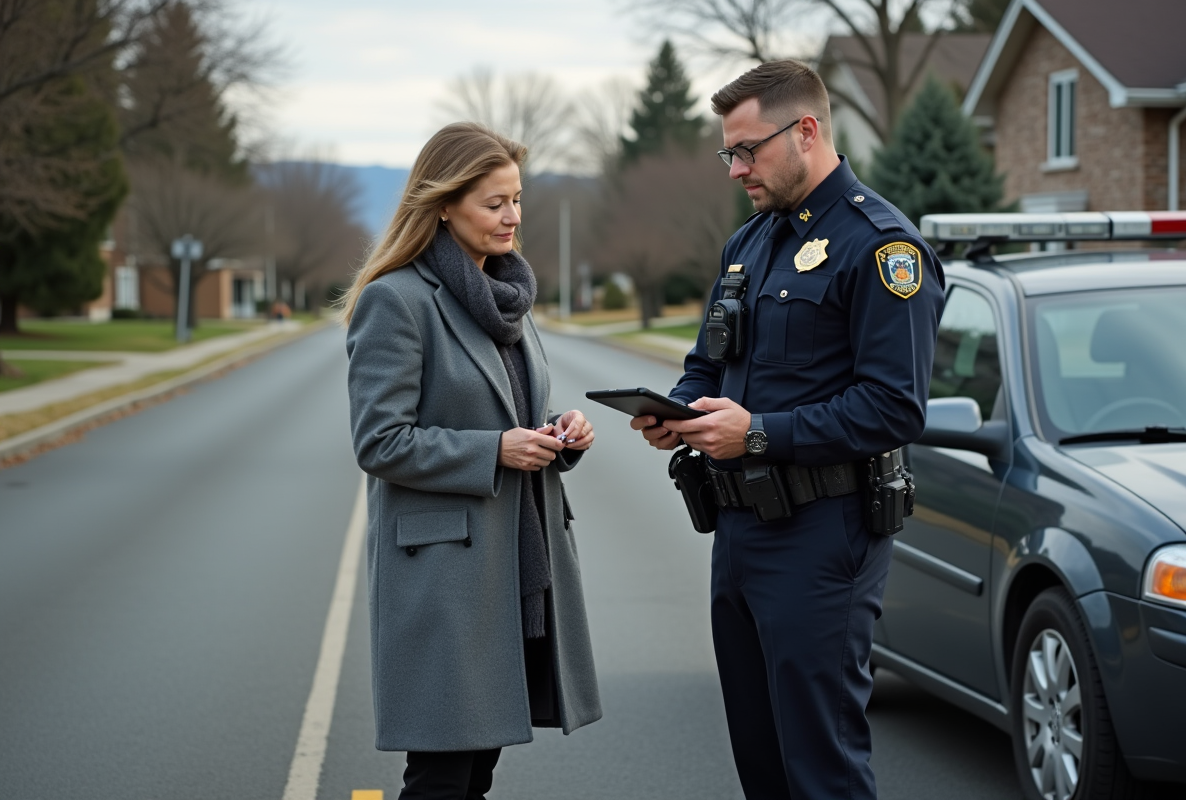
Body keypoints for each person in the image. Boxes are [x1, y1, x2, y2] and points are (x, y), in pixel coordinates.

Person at [630, 61, 945, 800]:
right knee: (763, 765)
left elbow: (895, 407)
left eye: (749, 150)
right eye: (728, 154)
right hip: (738, 533)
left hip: (823, 537)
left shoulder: (882, 248)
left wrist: (759, 435)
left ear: (806, 130)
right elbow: (708, 362)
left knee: (821, 770)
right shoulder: (750, 244)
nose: (737, 168)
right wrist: (677, 412)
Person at [341, 122, 602, 800]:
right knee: (440, 777)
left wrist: (557, 434)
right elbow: (380, 441)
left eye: (517, 199)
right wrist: (497, 450)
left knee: (475, 772)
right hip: (444, 582)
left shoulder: (507, 299)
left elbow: (508, 413)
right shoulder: (395, 301)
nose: (513, 216)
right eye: (494, 203)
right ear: (444, 204)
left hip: (514, 567)